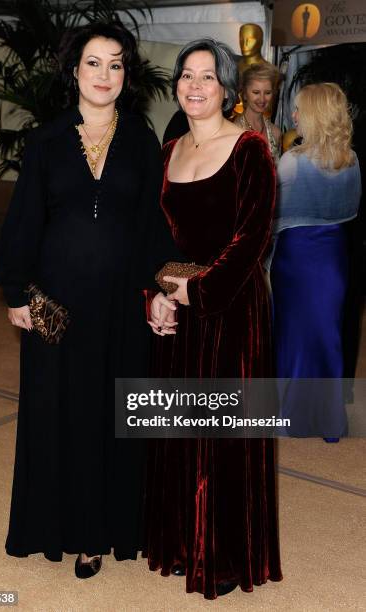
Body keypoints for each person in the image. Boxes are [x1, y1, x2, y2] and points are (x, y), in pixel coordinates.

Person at [0, 22, 170, 578]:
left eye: (115, 64)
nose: (104, 75)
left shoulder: (142, 140)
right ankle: (51, 526)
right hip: (52, 299)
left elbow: (153, 228)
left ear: (126, 76)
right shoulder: (45, 140)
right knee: (52, 408)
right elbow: (23, 221)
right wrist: (17, 290)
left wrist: (164, 290)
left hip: (119, 304)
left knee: (108, 412)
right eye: (94, 63)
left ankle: (98, 533)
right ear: (74, 71)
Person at [143, 38, 282, 599]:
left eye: (207, 76)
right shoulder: (168, 149)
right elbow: (148, 236)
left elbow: (253, 240)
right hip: (177, 313)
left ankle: (223, 555)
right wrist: (153, 294)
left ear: (226, 89)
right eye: (186, 75)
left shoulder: (250, 149)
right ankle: (180, 542)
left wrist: (194, 291)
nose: (194, 85)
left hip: (230, 314)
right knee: (177, 433)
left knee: (224, 438)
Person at [270, 83, 361, 441]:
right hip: (334, 258)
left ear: (314, 115)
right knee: (326, 336)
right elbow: (351, 211)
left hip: (296, 258)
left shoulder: (292, 161)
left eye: (298, 109)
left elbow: (271, 215)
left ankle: (292, 414)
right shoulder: (352, 159)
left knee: (293, 337)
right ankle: (328, 419)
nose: (293, 115)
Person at [233, 63, 281, 162]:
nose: (262, 99)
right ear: (245, 94)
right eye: (256, 92)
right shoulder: (234, 131)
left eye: (267, 93)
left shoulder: (276, 132)